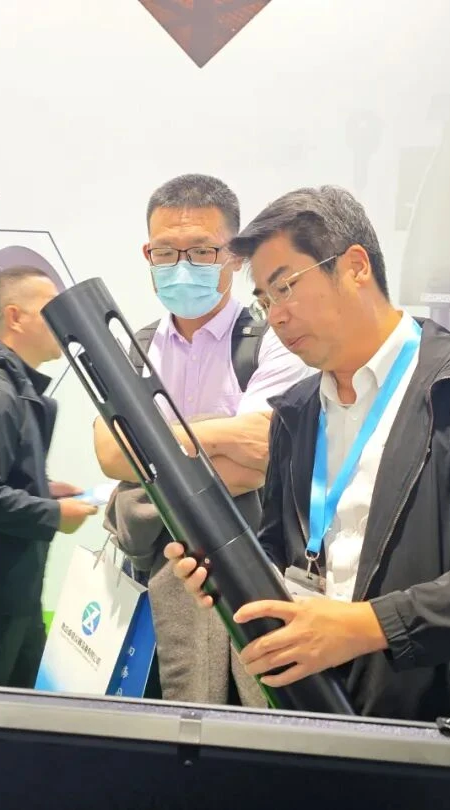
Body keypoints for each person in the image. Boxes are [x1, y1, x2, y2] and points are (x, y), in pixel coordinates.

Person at [165, 185, 450, 726]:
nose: (277, 317)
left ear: (356, 267)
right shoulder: (297, 411)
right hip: (307, 710)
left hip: (432, 730)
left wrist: (371, 626)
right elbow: (283, 552)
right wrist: (229, 573)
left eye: (286, 287)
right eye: (265, 301)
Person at [96, 174, 311, 708]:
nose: (181, 266)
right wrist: (218, 433)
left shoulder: (271, 344)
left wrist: (150, 442)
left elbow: (261, 452)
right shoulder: (135, 345)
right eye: (165, 252)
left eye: (200, 251)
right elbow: (108, 452)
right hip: (146, 570)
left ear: (234, 256)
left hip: (247, 574)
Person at [0, 266, 97, 687]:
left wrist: (43, 490)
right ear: (15, 316)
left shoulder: (11, 389)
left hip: (9, 602)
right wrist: (53, 515)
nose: (64, 322)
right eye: (51, 310)